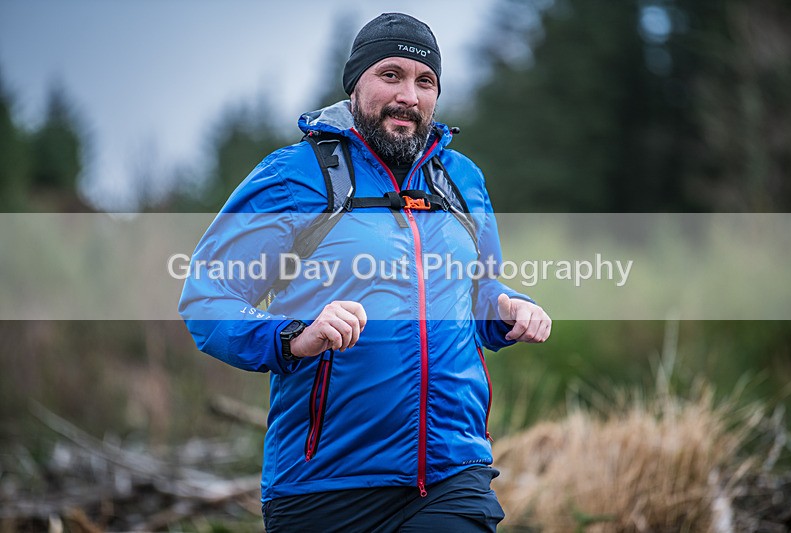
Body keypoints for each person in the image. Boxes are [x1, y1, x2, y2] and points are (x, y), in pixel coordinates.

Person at [179, 12, 551, 532]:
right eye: (391, 75)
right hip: (325, 483)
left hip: (451, 475)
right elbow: (207, 296)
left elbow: (474, 291)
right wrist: (292, 337)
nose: (409, 96)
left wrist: (507, 307)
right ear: (356, 84)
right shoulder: (295, 177)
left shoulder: (463, 179)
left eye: (425, 82)